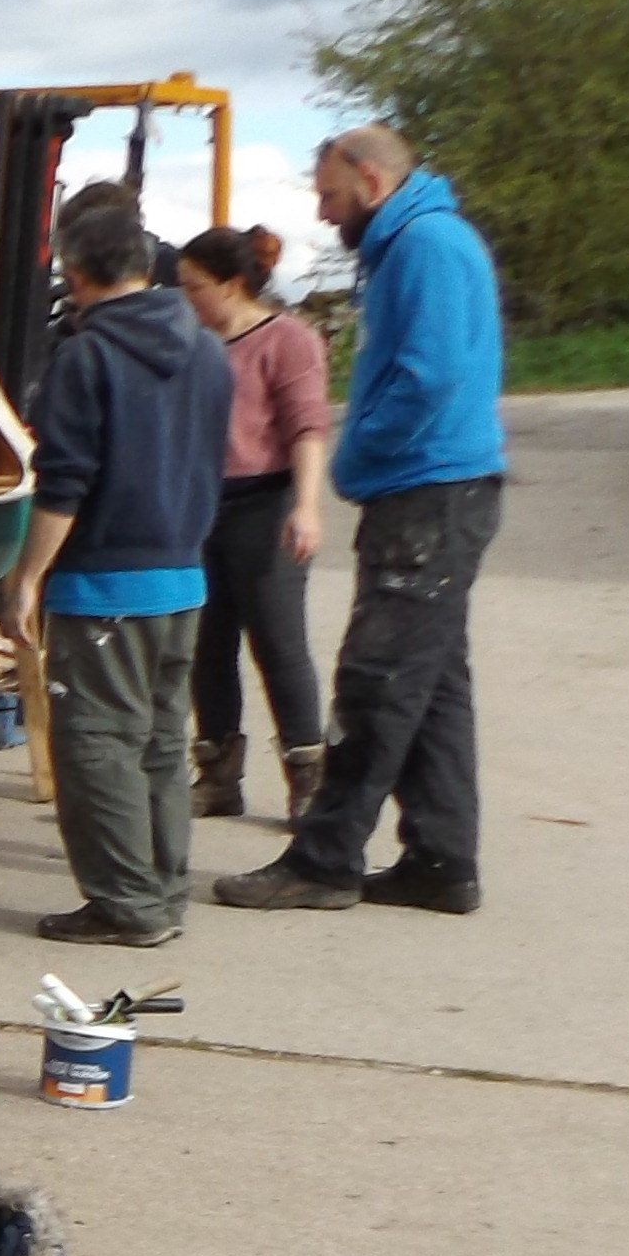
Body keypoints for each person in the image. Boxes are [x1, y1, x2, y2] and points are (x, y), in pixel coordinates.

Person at [217, 126, 506, 915]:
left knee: (377, 681)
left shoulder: (423, 247)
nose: (323, 208)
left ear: (371, 181)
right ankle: (442, 861)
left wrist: (360, 455)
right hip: (439, 489)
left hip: (428, 492)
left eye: (330, 194)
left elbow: (431, 377)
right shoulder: (417, 242)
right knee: (434, 681)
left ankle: (325, 859)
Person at [3, 181, 230, 948]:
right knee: (163, 746)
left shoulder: (86, 356)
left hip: (106, 589)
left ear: (77, 274)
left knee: (98, 745)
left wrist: (26, 579)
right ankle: (163, 894)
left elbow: (65, 483)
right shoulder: (206, 348)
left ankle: (125, 905)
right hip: (184, 582)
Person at [175, 224, 335, 824]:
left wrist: (307, 505)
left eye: (195, 286)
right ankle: (217, 771)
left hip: (265, 502)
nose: (187, 298)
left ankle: (307, 775)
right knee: (207, 644)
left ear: (232, 284)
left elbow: (308, 425)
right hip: (203, 505)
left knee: (278, 641)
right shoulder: (196, 342)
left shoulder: (286, 339)